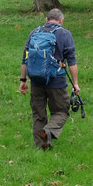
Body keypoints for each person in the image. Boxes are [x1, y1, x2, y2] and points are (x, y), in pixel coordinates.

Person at [19, 8, 79, 150]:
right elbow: (72, 61)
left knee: (39, 114)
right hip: (56, 81)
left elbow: (25, 59)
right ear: (61, 21)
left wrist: (23, 80)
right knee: (61, 111)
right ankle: (48, 132)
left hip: (36, 80)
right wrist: (75, 83)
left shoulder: (34, 32)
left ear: (46, 19)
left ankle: (42, 147)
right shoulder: (65, 34)